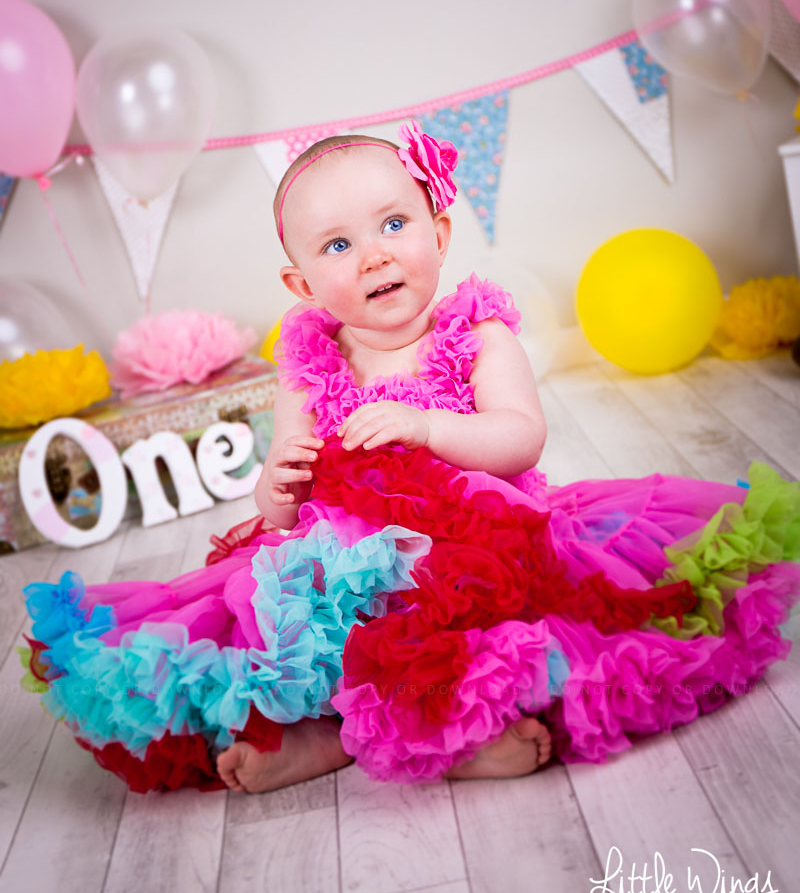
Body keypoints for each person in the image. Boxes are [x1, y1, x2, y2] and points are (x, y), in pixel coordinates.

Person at [20, 125, 800, 796]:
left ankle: (449, 730)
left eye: (394, 224)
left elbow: (520, 437)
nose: (373, 256)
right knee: (297, 617)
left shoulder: (478, 336)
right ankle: (325, 736)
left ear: (440, 232)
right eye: (338, 245)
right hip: (350, 569)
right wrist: (279, 484)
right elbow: (281, 510)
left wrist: (427, 427)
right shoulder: (310, 365)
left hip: (483, 555)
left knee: (499, 632)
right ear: (302, 284)